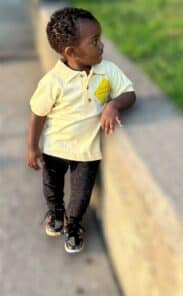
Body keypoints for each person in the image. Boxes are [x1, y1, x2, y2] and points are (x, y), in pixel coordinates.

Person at [26, 7, 136, 253]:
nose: (102, 45)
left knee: (81, 194)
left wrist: (113, 104)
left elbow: (129, 93)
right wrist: (33, 147)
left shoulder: (106, 70)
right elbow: (38, 114)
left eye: (100, 38)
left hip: (87, 151)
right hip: (56, 146)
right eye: (94, 41)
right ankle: (55, 213)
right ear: (71, 52)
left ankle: (73, 226)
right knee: (52, 187)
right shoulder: (53, 81)